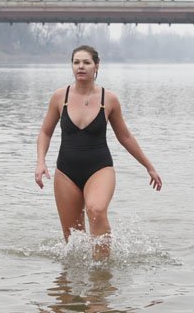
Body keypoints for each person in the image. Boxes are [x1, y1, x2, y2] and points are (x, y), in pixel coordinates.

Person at [35, 45, 162, 260]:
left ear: (96, 66)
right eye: (76, 62)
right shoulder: (59, 97)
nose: (81, 67)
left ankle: (102, 272)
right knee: (73, 239)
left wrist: (149, 167)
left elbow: (125, 137)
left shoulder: (108, 99)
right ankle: (75, 280)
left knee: (96, 209)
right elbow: (45, 132)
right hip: (66, 172)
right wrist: (40, 162)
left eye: (86, 62)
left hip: (99, 169)